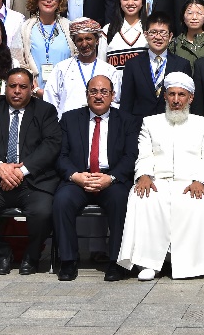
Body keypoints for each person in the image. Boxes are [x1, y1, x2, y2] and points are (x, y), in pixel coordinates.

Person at [116, 72, 204, 281]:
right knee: (141, 198)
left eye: (182, 95)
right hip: (158, 181)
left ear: (191, 98)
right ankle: (148, 263)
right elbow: (144, 154)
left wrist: (200, 181)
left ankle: (190, 265)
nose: (176, 100)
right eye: (171, 94)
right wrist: (144, 175)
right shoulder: (150, 123)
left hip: (191, 183)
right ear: (165, 96)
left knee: (196, 204)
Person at [0, 68, 63, 275]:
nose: (17, 91)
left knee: (43, 212)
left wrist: (21, 171)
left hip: (31, 181)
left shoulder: (45, 110)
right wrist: (0, 167)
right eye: (12, 86)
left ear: (32, 89)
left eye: (23, 87)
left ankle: (32, 256)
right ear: (5, 87)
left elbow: (51, 144)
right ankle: (1, 254)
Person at [54, 75, 139, 282]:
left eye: (104, 92)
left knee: (121, 200)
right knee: (62, 201)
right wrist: (76, 176)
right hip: (79, 178)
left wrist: (111, 177)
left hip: (111, 179)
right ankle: (68, 260)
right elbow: (60, 155)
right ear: (86, 95)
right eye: (93, 92)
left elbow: (131, 156)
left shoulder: (127, 120)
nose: (98, 96)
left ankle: (116, 262)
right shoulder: (69, 119)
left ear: (113, 95)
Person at [45, 18, 122, 117]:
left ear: (97, 40)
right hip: (67, 124)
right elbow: (50, 100)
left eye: (88, 39)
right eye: (80, 40)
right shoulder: (62, 68)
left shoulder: (109, 70)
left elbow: (115, 102)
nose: (84, 44)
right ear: (74, 42)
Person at [120, 12, 191, 118]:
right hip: (140, 124)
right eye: (153, 32)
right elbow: (126, 102)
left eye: (163, 33)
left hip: (171, 121)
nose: (158, 37)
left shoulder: (182, 64)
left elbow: (187, 101)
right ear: (146, 35)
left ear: (170, 36)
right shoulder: (133, 64)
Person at [16, 0, 74, 92]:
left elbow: (77, 57)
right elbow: (19, 61)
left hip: (65, 90)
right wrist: (32, 84)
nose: (49, 0)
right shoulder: (25, 28)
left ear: (59, 1)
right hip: (34, 91)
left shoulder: (69, 27)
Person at [102, 0, 150, 70]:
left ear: (143, 2)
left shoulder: (150, 29)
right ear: (119, 2)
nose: (130, 3)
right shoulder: (108, 30)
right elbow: (101, 66)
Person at [171, 0, 204, 64]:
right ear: (183, 17)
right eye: (190, 13)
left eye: (199, 13)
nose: (194, 17)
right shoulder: (175, 43)